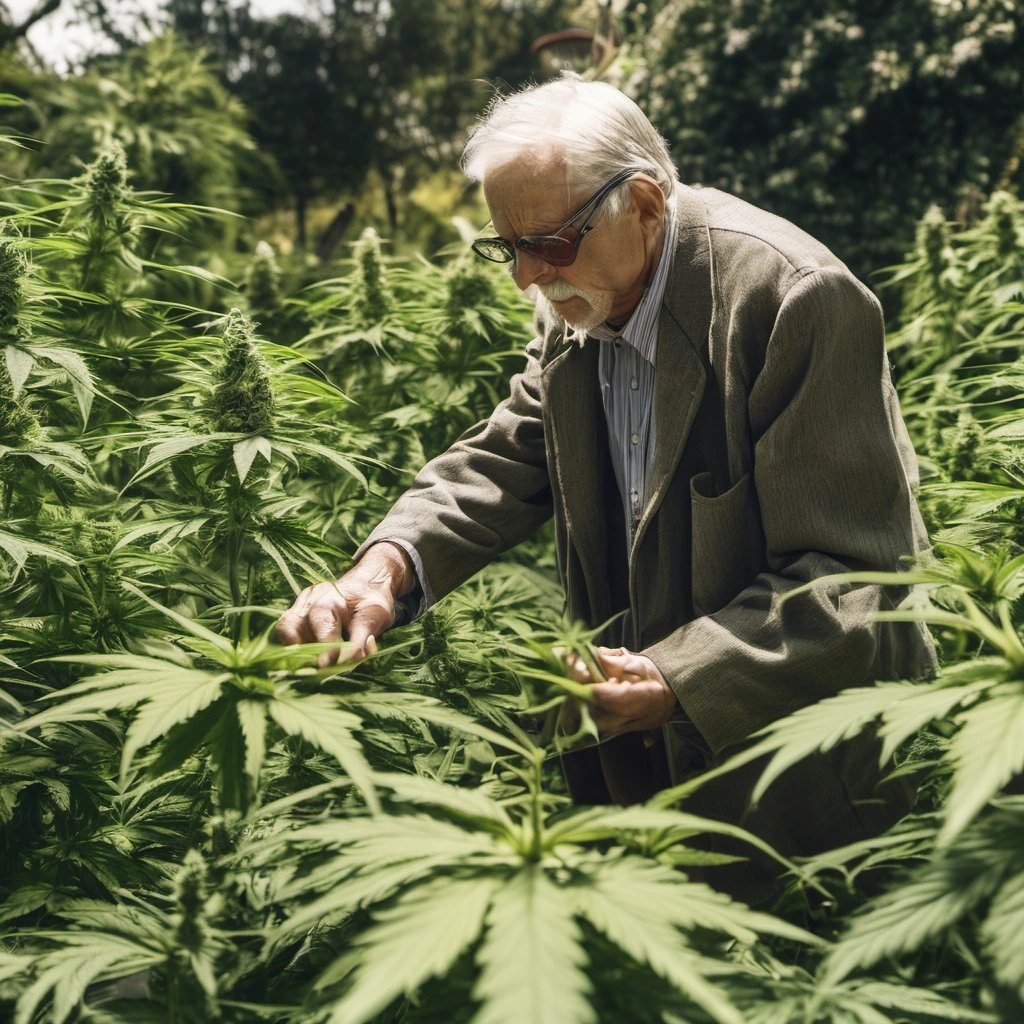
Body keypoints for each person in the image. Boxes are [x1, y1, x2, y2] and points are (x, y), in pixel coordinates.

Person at [276, 74, 937, 902]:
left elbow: (854, 585)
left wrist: (673, 678)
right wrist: (381, 571)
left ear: (647, 206)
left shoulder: (793, 301)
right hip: (648, 783)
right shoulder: (582, 295)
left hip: (803, 790)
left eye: (549, 244)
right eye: (506, 247)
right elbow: (512, 448)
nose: (525, 279)